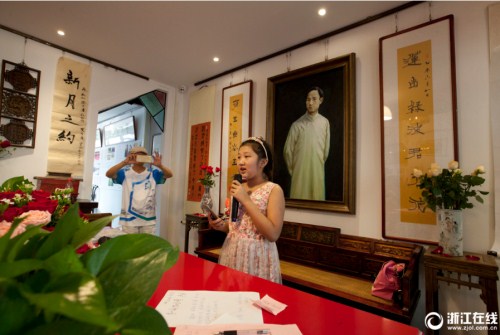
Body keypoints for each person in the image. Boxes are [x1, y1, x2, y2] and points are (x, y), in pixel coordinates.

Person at [207, 136, 285, 283]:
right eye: (239, 157)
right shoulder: (239, 188)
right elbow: (236, 226)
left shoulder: (274, 190)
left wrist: (246, 200)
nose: (241, 161)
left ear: (263, 162)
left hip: (257, 257)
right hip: (234, 252)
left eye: (247, 156)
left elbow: (273, 234)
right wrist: (222, 226)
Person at [105, 146, 173, 234]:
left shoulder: (153, 173)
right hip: (129, 220)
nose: (139, 158)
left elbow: (169, 174)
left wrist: (160, 166)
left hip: (148, 220)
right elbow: (109, 174)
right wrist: (124, 163)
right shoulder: (124, 173)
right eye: (136, 155)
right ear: (131, 156)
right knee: (130, 246)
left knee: (147, 246)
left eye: (143, 155)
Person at [283, 86, 330, 201]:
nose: (310, 103)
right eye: (308, 99)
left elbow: (326, 151)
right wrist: (294, 171)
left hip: (317, 171)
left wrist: (317, 163)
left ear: (321, 100)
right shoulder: (297, 125)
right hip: (299, 173)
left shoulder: (325, 123)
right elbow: (287, 152)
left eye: (314, 99)